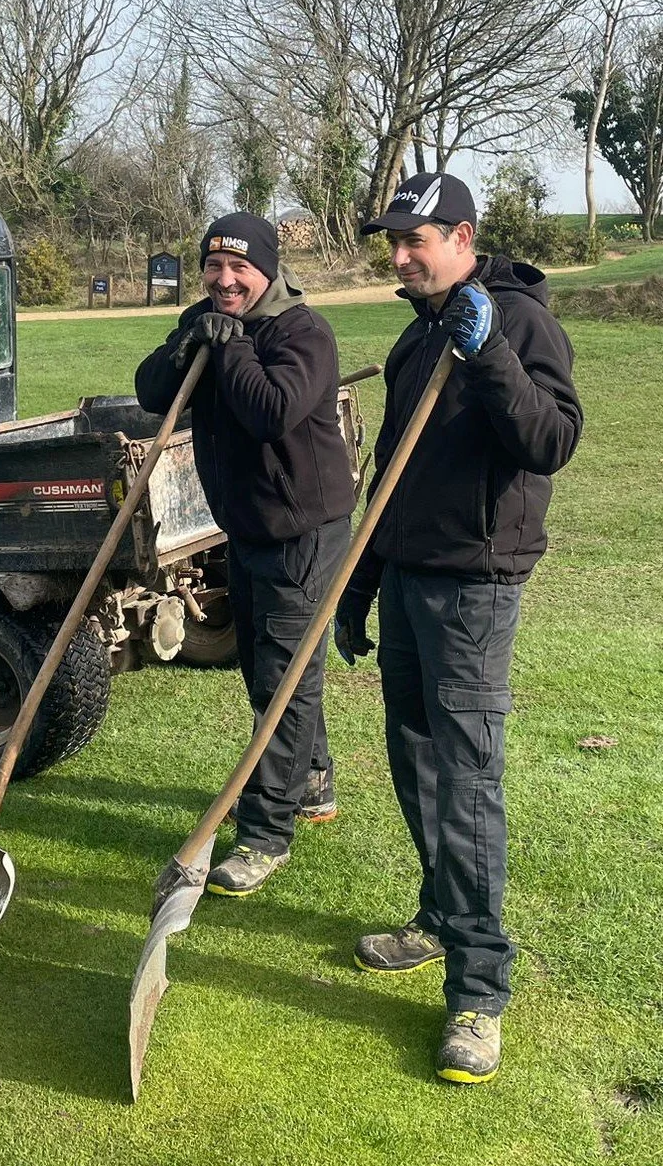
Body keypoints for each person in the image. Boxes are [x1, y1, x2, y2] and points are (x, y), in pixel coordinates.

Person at [334, 171, 583, 1085]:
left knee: (467, 778)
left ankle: (479, 991)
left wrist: (490, 358)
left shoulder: (517, 323)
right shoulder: (414, 336)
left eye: (417, 240)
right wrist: (359, 587)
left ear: (464, 239)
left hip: (474, 587)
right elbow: (387, 479)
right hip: (405, 577)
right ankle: (439, 917)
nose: (399, 257)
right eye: (392, 243)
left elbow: (552, 440)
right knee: (414, 759)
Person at [135, 213, 357, 897]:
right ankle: (310, 782)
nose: (224, 280)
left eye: (239, 269)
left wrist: (230, 350)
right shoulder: (205, 319)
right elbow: (149, 392)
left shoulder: (302, 332)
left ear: (266, 270)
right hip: (247, 527)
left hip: (303, 532)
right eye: (213, 267)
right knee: (266, 671)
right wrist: (187, 344)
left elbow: (271, 410)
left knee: (283, 683)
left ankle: (265, 833)